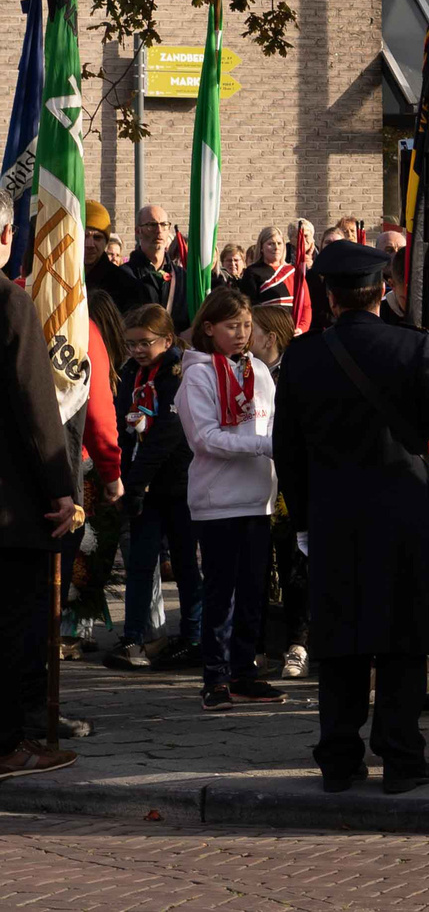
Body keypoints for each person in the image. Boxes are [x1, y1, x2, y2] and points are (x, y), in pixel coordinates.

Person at [270, 239, 429, 793]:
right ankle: (402, 757)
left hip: (334, 514)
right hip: (404, 510)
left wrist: (305, 519)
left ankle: (338, 757)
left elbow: (286, 447)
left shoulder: (305, 356)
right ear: (383, 291)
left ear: (330, 297)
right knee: (403, 636)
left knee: (340, 637)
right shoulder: (415, 348)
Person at [175, 288, 282, 711]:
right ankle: (214, 678)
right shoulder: (198, 376)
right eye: (231, 326)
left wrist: (275, 446)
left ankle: (244, 673)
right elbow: (205, 439)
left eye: (246, 326)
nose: (241, 334)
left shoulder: (259, 369)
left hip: (258, 499)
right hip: (218, 500)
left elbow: (271, 422)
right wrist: (265, 446)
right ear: (208, 329)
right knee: (222, 593)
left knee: (254, 592)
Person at [0, 259, 78, 779]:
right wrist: (62, 490)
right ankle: (7, 745)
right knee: (9, 630)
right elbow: (34, 402)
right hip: (9, 506)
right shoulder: (8, 301)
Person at [108, 308, 197, 670]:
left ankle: (193, 634)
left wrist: (136, 480)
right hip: (141, 482)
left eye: (145, 343)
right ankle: (134, 636)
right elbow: (121, 420)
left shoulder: (177, 373)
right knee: (142, 563)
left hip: (175, 482)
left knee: (186, 562)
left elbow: (166, 436)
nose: (138, 350)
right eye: (131, 344)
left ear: (167, 340)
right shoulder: (132, 371)